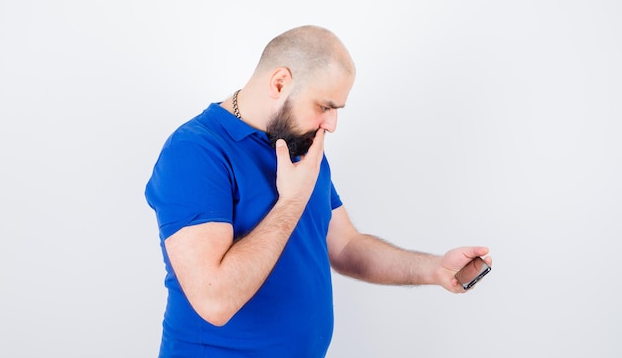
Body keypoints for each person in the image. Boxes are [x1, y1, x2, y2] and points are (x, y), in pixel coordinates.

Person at [144, 25, 492, 358]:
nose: (332, 124)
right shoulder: (195, 151)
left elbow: (345, 246)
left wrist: (434, 269)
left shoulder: (299, 145)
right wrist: (291, 201)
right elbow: (214, 301)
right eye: (324, 107)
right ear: (280, 83)